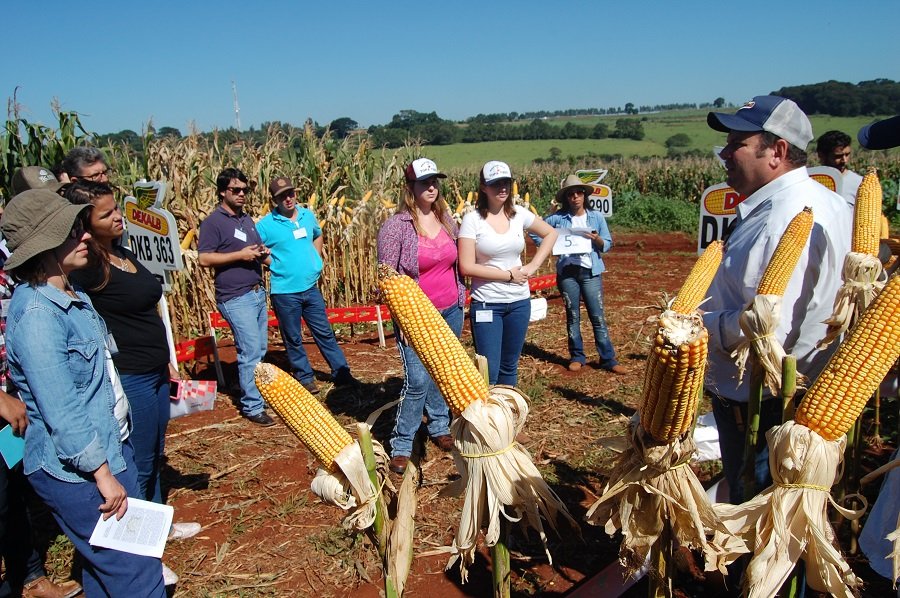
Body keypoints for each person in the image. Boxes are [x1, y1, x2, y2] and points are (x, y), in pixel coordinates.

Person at [1, 189, 166, 597]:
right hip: (82, 469)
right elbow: (63, 410)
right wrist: (104, 475)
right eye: (73, 231)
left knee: (104, 570)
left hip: (109, 448)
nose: (86, 236)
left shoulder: (75, 296)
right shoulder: (39, 317)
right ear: (46, 246)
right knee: (138, 575)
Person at [703, 96, 851, 503]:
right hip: (801, 390)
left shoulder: (781, 217)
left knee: (756, 509)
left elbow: (770, 323)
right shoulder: (830, 202)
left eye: (737, 143)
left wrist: (698, 326)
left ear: (778, 151)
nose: (725, 154)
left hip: (764, 404)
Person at [64, 181, 199, 585]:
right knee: (135, 464)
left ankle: (157, 524)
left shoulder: (124, 254)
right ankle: (141, 554)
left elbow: (148, 311)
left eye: (115, 210)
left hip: (156, 371)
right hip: (131, 377)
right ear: (84, 224)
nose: (118, 217)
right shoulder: (88, 269)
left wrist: (169, 363)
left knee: (154, 453)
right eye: (106, 214)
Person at [0, 179, 81, 598]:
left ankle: (29, 575)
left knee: (13, 495)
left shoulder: (13, 255)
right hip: (3, 399)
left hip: (16, 393)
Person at [377, 159, 466, 475]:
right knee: (416, 381)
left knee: (442, 372)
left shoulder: (446, 220)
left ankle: (439, 425)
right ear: (410, 187)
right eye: (424, 182)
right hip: (416, 316)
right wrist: (400, 316)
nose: (432, 187)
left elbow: (458, 262)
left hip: (451, 308)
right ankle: (401, 444)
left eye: (435, 181)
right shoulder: (396, 226)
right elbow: (387, 275)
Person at [458, 161, 557, 386]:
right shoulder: (472, 220)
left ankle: (507, 416)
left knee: (509, 366)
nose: (502, 188)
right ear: (483, 187)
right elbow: (467, 266)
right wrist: (508, 276)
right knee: (488, 372)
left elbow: (551, 233)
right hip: (487, 303)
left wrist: (532, 267)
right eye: (495, 184)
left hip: (519, 302)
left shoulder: (519, 214)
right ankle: (487, 419)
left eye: (506, 183)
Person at [256, 176, 357, 394]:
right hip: (284, 291)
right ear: (275, 200)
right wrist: (273, 264)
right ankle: (304, 377)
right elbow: (255, 249)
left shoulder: (306, 215)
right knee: (292, 337)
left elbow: (317, 235)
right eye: (282, 196)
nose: (288, 199)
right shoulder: (266, 225)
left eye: (290, 193)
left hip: (310, 287)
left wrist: (317, 258)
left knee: (324, 332)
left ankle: (341, 373)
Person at [198, 168, 275, 426]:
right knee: (250, 351)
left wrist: (261, 253)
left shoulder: (246, 220)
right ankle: (252, 406)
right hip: (235, 297)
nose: (242, 194)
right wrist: (239, 255)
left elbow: (251, 250)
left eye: (245, 190)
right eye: (235, 190)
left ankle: (259, 396)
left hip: (256, 292)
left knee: (260, 348)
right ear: (222, 192)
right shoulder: (213, 223)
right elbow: (204, 258)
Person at [541, 175, 626, 374]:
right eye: (571, 194)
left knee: (597, 316)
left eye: (579, 193)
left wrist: (596, 239)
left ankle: (608, 358)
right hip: (567, 273)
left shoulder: (595, 217)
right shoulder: (557, 219)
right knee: (572, 315)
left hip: (590, 272)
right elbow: (537, 232)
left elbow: (607, 244)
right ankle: (577, 356)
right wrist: (550, 244)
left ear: (584, 196)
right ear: (566, 198)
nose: (575, 197)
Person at [815, 130, 862, 207]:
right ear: (821, 155)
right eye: (838, 156)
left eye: (847, 155)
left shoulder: (859, 184)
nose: (844, 160)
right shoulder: (811, 181)